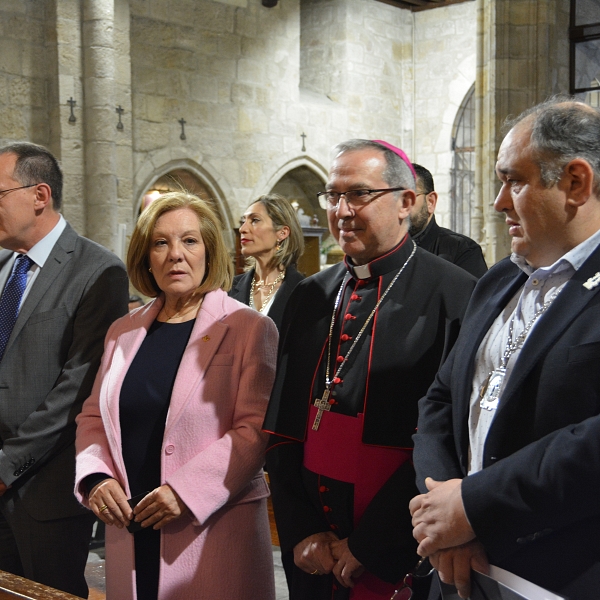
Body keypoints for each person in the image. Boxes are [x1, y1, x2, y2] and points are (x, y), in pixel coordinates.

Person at [264, 139, 477, 600]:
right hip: (314, 552)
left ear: (406, 202)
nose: (341, 210)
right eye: (332, 196)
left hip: (399, 550)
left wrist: (370, 545)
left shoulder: (457, 296)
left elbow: (450, 445)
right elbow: (282, 428)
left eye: (358, 194)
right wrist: (301, 530)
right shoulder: (310, 296)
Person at [410, 99, 600, 600]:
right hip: (459, 565)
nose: (498, 203)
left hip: (560, 572)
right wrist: (444, 518)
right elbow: (439, 401)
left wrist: (472, 505)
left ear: (576, 182)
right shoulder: (497, 281)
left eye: (514, 180)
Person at [75, 191, 278, 600]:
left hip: (212, 530)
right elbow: (93, 417)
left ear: (208, 250)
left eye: (189, 240)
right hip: (130, 525)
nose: (175, 255)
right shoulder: (123, 331)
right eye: (161, 243)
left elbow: (254, 430)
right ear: (146, 256)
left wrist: (184, 491)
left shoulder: (248, 327)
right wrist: (95, 477)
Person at [0, 142, 128, 597]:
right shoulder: (2, 265)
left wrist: (5, 466)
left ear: (39, 195)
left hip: (44, 494)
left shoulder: (98, 271)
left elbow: (76, 388)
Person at [229, 193, 305, 331]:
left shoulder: (304, 292)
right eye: (243, 221)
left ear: (282, 233)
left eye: (255, 220)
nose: (242, 229)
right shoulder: (229, 288)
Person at [410, 163, 487, 278]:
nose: (399, 206)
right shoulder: (380, 250)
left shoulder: (463, 250)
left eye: (408, 197)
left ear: (430, 202)